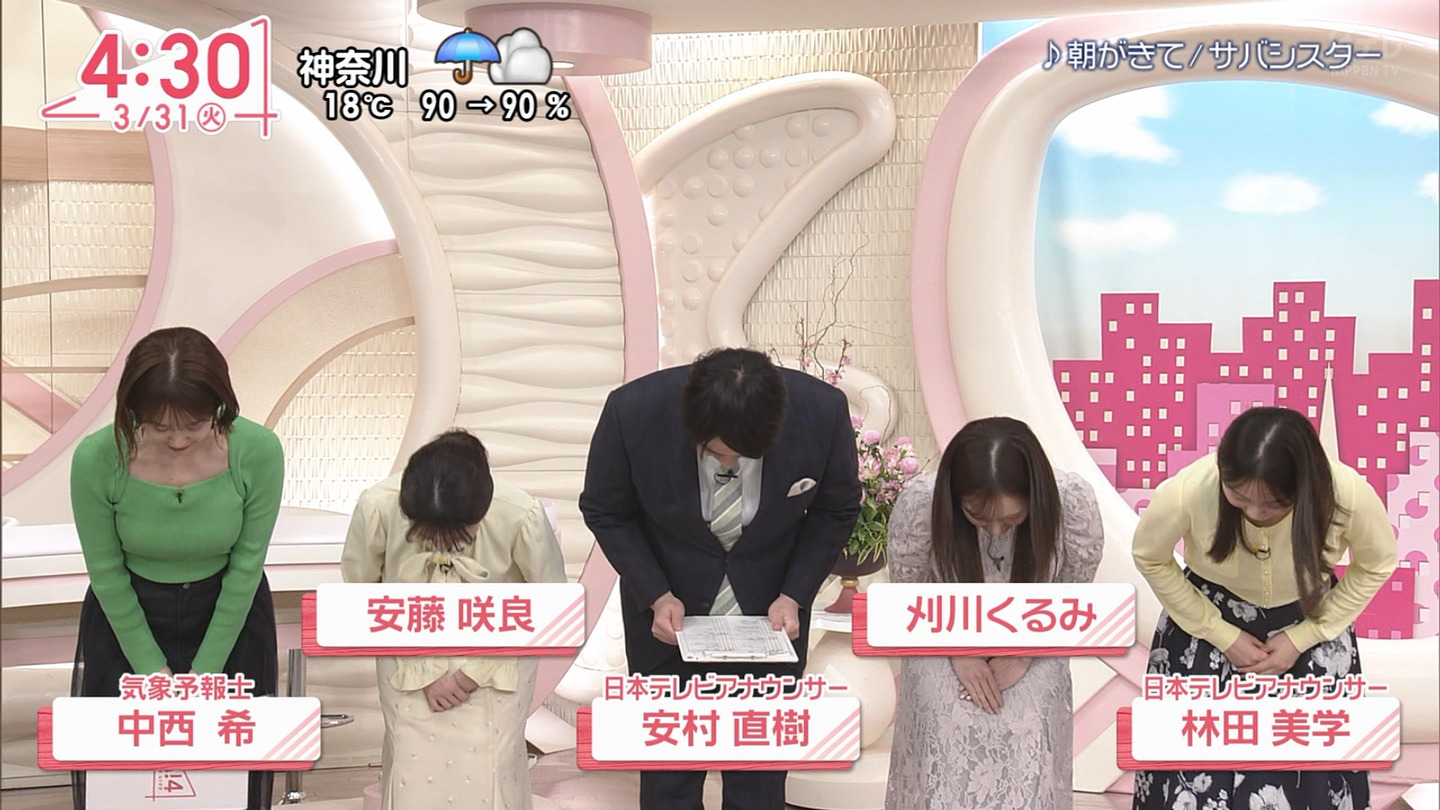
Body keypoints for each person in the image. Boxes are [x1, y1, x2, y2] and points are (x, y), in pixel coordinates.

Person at [579, 347, 861, 810]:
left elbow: (838, 507)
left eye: (744, 456)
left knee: (758, 781)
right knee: (669, 778)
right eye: (715, 453)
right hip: (668, 621)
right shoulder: (633, 411)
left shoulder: (821, 411)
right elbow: (605, 509)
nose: (729, 465)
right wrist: (655, 593)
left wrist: (795, 593)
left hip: (771, 620)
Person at [1131, 406, 1397, 810]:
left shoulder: (1345, 493)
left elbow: (1378, 563)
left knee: (1311, 772)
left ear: (1303, 485)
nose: (1255, 513)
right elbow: (1149, 556)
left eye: (1273, 504)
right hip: (1205, 629)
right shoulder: (1189, 489)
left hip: (1310, 627)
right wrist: (1221, 633)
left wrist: (1304, 636)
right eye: (1238, 497)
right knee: (1196, 768)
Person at [69, 326, 283, 809]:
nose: (179, 440)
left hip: (229, 614)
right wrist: (152, 671)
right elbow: (106, 571)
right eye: (160, 427)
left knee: (225, 771)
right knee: (128, 776)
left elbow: (247, 565)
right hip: (129, 617)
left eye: (195, 424)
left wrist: (204, 674)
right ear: (131, 411)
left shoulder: (258, 451)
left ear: (221, 407)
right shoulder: (97, 458)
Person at [883, 416, 1104, 810]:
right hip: (940, 641)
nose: (997, 531)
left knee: (1028, 721)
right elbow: (907, 594)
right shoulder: (923, 503)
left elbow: (1072, 594)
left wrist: (1023, 653)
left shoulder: (1071, 502)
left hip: (1037, 643)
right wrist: (958, 650)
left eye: (1013, 519)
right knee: (945, 722)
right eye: (979, 518)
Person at [342, 429, 566, 810]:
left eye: (458, 534)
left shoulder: (519, 514)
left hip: (499, 664)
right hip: (405, 661)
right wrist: (424, 670)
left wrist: (474, 672)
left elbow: (551, 606)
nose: (443, 544)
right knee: (412, 775)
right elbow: (359, 597)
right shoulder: (377, 507)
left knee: (493, 776)